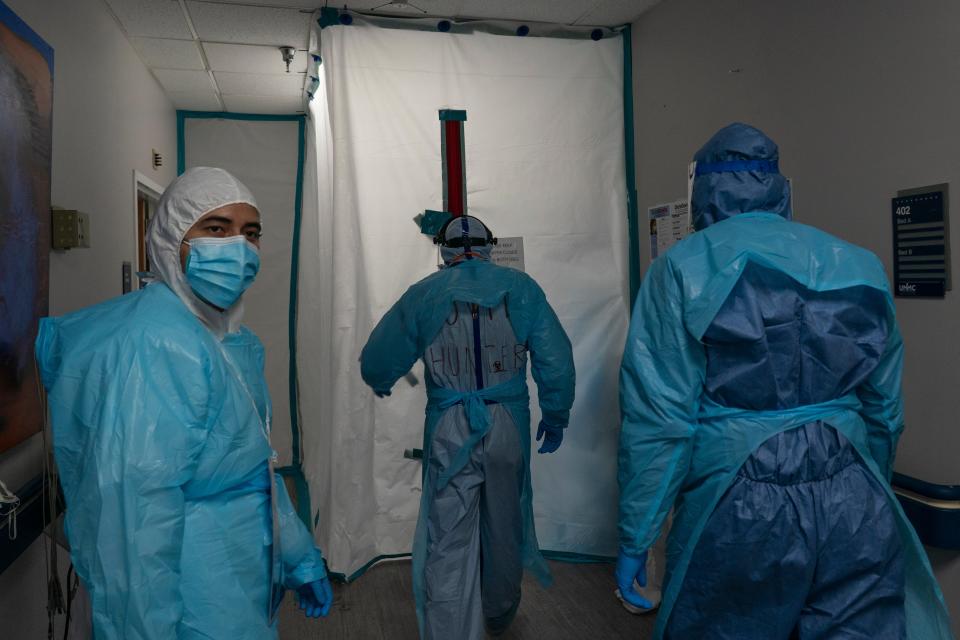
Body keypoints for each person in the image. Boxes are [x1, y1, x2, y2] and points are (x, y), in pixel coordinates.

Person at [615, 123, 953, 639]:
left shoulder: (682, 269)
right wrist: (870, 479)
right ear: (779, 186)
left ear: (703, 190)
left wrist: (636, 536)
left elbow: (659, 420)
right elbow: (885, 407)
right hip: (854, 493)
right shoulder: (859, 264)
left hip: (741, 503)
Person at [35, 167, 333, 639]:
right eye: (216, 229)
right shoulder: (155, 345)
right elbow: (134, 529)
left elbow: (256, 467)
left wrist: (297, 556)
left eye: (250, 233)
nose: (238, 247)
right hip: (190, 590)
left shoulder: (226, 339)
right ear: (172, 237)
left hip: (240, 574)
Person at [360, 215, 575, 639]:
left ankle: (450, 630)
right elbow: (556, 361)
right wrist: (556, 414)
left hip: (450, 425)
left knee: (449, 533)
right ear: (490, 245)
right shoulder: (522, 290)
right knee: (505, 522)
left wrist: (383, 380)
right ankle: (498, 613)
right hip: (507, 422)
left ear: (443, 250)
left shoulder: (425, 294)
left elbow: (378, 358)